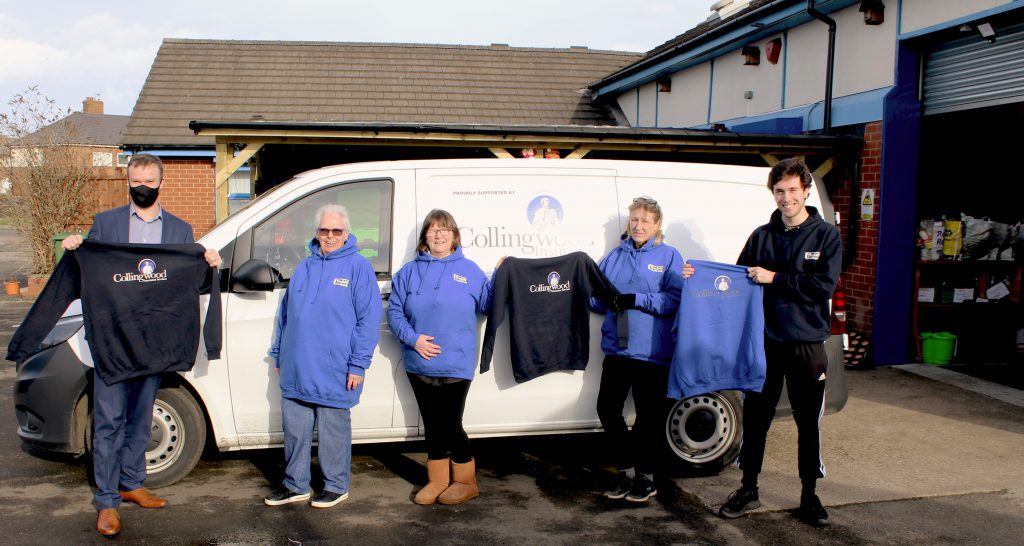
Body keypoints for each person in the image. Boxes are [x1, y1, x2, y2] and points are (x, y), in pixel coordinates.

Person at [60, 153, 222, 538]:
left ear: (161, 182)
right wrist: (72, 249)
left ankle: (132, 483)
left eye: (150, 181)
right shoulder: (106, 224)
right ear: (127, 181)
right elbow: (89, 274)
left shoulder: (180, 231)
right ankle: (106, 501)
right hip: (114, 342)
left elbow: (188, 285)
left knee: (139, 419)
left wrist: (209, 263)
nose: (143, 187)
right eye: (136, 181)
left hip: (154, 343)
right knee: (110, 421)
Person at [718, 157, 841, 527]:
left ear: (805, 190)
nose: (786, 197)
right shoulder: (762, 236)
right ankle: (748, 488)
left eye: (792, 190)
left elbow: (823, 287)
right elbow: (738, 279)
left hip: (806, 345)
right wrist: (698, 275)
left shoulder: (825, 235)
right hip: (765, 343)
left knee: (808, 423)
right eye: (779, 191)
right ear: (772, 193)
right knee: (756, 420)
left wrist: (775, 278)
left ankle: (809, 497)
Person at [264, 203, 381, 509]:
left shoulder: (358, 267)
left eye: (336, 230)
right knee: (295, 430)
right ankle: (295, 485)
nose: (329, 236)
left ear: (347, 232)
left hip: (335, 366)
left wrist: (358, 365)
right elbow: (285, 315)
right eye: (324, 230)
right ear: (316, 232)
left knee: (332, 430)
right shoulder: (304, 266)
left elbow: (368, 321)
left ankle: (335, 485)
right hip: (297, 364)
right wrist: (278, 353)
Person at [387, 210, 493, 505]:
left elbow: (485, 306)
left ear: (455, 236)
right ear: (425, 237)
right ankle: (437, 480)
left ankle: (465, 482)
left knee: (450, 424)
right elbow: (395, 312)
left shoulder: (470, 270)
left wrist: (499, 278)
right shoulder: (408, 272)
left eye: (445, 229)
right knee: (432, 425)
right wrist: (413, 339)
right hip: (418, 362)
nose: (439, 234)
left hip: (456, 363)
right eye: (433, 230)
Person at [590, 196, 691, 503]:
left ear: (657, 225)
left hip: (653, 353)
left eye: (646, 220)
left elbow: (675, 299)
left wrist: (637, 300)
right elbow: (597, 297)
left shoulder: (669, 256)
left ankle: (647, 477)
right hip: (618, 350)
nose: (639, 225)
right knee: (607, 410)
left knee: (648, 418)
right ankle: (627, 471)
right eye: (634, 219)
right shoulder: (614, 256)